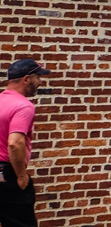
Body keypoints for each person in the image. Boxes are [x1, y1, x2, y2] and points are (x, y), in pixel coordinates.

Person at [0, 58, 50, 227]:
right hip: (7, 175)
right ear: (27, 79)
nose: (40, 81)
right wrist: (21, 176)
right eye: (38, 77)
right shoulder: (23, 106)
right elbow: (14, 143)